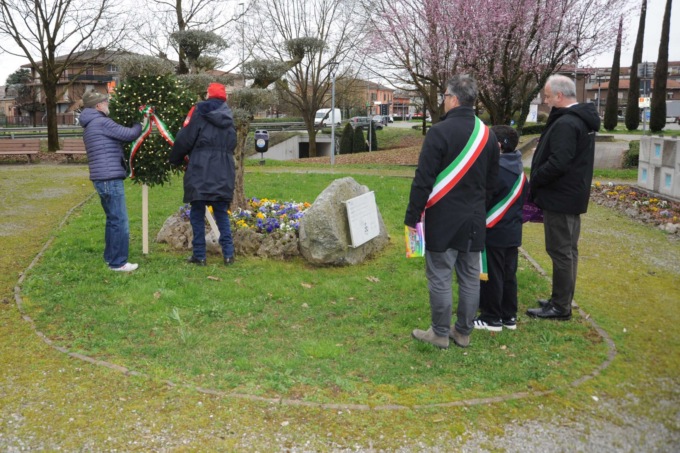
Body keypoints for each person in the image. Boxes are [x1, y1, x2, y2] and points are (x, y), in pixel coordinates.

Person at [406, 75, 499, 349]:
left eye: (445, 96)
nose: (444, 101)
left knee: (440, 275)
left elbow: (423, 179)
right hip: (474, 219)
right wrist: (479, 208)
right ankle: (463, 332)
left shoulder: (439, 132)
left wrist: (412, 216)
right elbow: (492, 182)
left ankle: (439, 333)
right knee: (470, 277)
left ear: (454, 99)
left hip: (442, 218)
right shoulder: (488, 135)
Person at [527, 75, 600, 320]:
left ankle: (560, 307)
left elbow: (559, 162)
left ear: (559, 95)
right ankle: (562, 299)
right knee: (568, 250)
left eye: (548, 96)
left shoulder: (567, 122)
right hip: (571, 194)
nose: (546, 101)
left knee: (560, 251)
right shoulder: (578, 119)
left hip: (561, 197)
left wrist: (536, 178)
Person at [169, 83, 237, 266]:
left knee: (197, 213)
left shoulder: (199, 111)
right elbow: (233, 143)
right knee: (221, 213)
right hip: (223, 169)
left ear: (208, 94)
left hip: (201, 167)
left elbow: (186, 137)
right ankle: (228, 254)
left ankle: (199, 255)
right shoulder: (229, 116)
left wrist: (175, 158)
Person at [80, 89, 146, 272]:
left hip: (101, 178)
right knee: (119, 221)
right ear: (98, 106)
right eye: (105, 102)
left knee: (112, 219)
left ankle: (111, 257)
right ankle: (118, 263)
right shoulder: (101, 122)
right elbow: (129, 134)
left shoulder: (90, 123)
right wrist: (139, 122)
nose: (107, 105)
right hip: (109, 178)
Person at [475, 125, 527, 332]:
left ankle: (491, 317)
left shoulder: (495, 170)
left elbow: (483, 199)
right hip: (512, 230)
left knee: (492, 275)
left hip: (494, 230)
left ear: (497, 145)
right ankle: (509, 316)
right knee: (508, 275)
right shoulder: (519, 169)